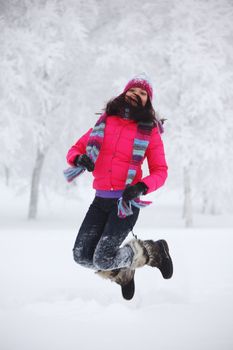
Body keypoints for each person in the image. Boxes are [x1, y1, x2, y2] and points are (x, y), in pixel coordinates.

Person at [64, 74, 173, 300]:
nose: (137, 94)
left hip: (126, 203)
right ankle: (124, 273)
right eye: (133, 90)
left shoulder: (149, 131)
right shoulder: (105, 122)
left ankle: (155, 252)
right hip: (100, 201)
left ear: (147, 102)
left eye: (143, 93)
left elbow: (161, 171)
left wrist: (141, 187)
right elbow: (75, 149)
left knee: (102, 259)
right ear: (125, 93)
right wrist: (79, 159)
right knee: (81, 256)